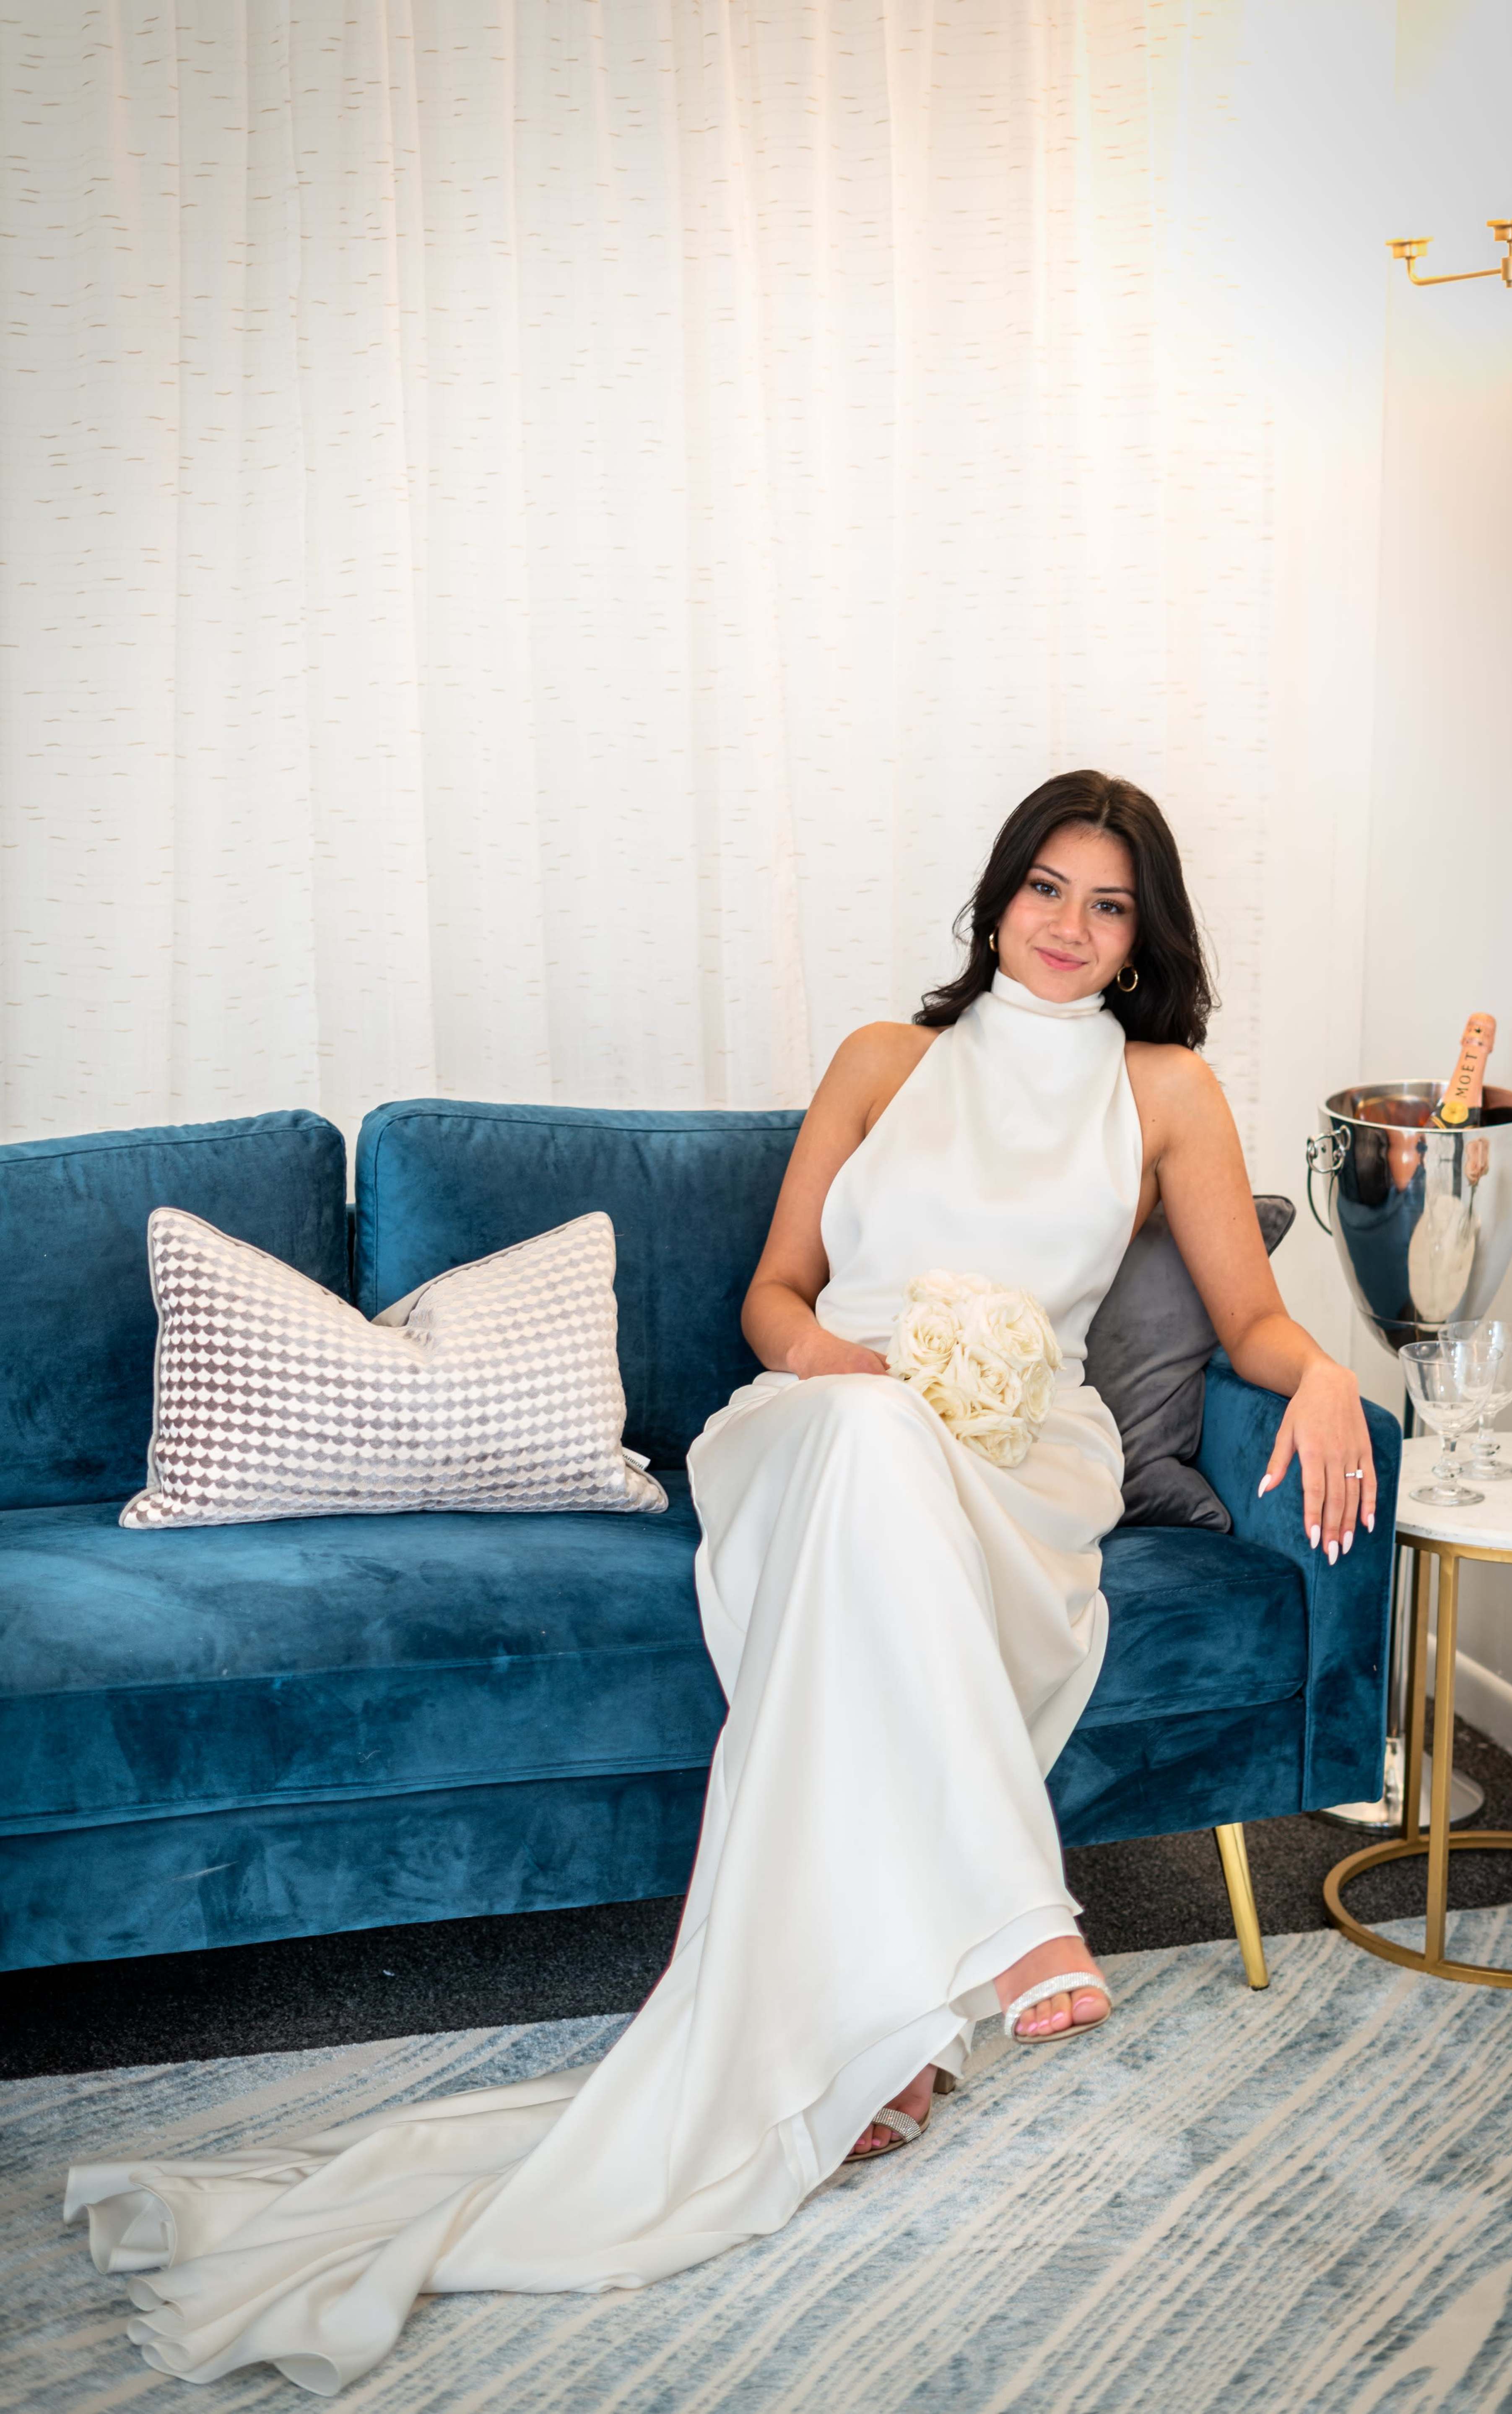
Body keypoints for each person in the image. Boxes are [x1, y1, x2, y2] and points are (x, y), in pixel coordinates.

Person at [65, 771, 1377, 2396]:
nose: (1069, 927)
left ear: (1143, 933)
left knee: (894, 1499)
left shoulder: (1170, 1088)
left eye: (1109, 904)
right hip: (821, 1417)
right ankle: (1016, 1918)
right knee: (870, 1450)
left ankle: (867, 2031)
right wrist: (848, 1363)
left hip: (1027, 1457)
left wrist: (1317, 1371)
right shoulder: (883, 1062)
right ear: (996, 896)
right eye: (1046, 887)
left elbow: (1248, 1322)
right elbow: (774, 1292)